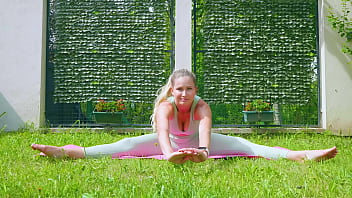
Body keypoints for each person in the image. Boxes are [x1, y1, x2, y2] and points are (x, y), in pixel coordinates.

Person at [32, 69, 338, 164]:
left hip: (194, 141)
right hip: (167, 144)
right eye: (180, 89)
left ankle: (304, 155)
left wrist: (202, 152)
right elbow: (164, 137)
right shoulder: (165, 106)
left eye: (189, 89)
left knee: (249, 146)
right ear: (172, 89)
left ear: (195, 90)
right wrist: (169, 156)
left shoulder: (201, 107)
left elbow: (204, 134)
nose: (184, 95)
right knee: (123, 145)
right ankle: (64, 152)